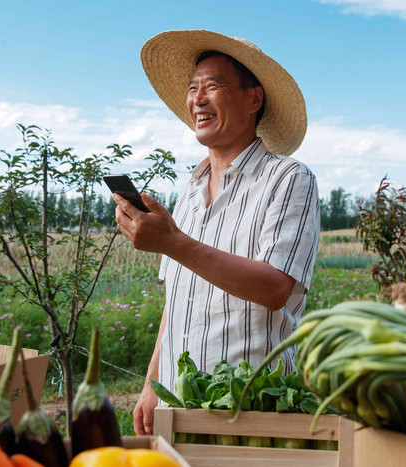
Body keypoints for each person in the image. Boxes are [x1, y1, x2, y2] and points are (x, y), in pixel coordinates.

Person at [112, 30, 320, 436]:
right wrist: (152, 385)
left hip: (252, 409)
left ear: (254, 98)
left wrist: (173, 243)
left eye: (213, 86)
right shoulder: (189, 191)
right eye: (193, 89)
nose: (197, 100)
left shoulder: (288, 179)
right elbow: (179, 302)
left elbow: (275, 287)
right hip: (177, 406)